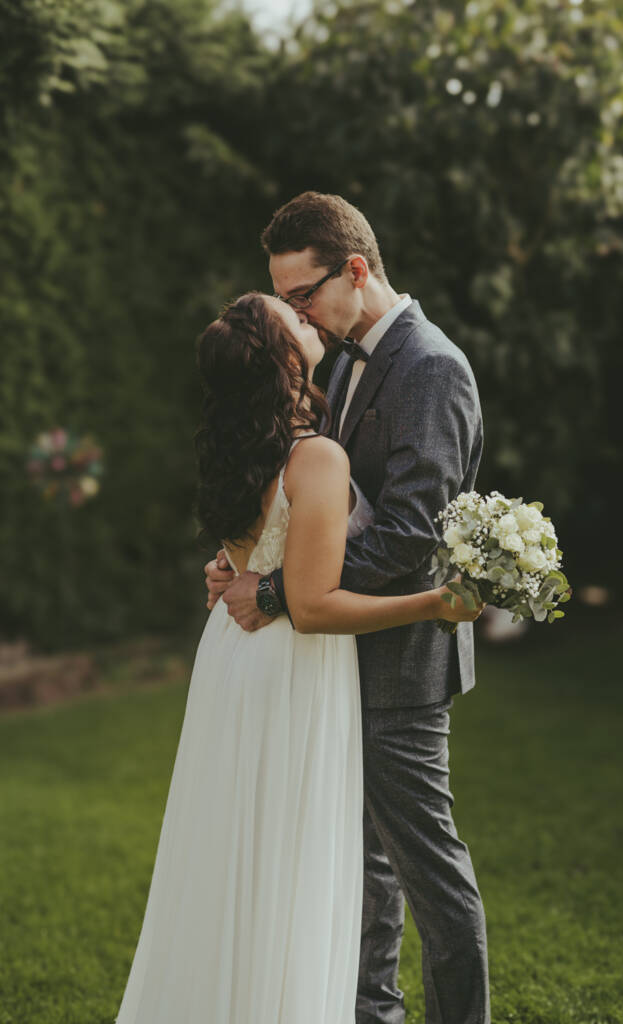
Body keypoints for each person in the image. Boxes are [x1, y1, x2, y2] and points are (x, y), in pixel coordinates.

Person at [114, 289, 481, 1024]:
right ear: (284, 359)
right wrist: (438, 604)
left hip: (234, 659)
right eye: (290, 316)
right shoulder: (312, 453)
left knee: (245, 847)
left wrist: (237, 571)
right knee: (293, 854)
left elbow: (257, 551)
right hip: (292, 661)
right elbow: (311, 604)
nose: (305, 318)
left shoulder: (241, 442)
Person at [205, 192, 491, 1024]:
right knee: (362, 870)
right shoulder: (341, 357)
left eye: (302, 297)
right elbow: (299, 496)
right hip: (332, 661)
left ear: (355, 271)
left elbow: (406, 534)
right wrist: (244, 553)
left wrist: (275, 590)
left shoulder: (431, 367)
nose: (295, 315)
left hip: (401, 667)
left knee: (428, 873)